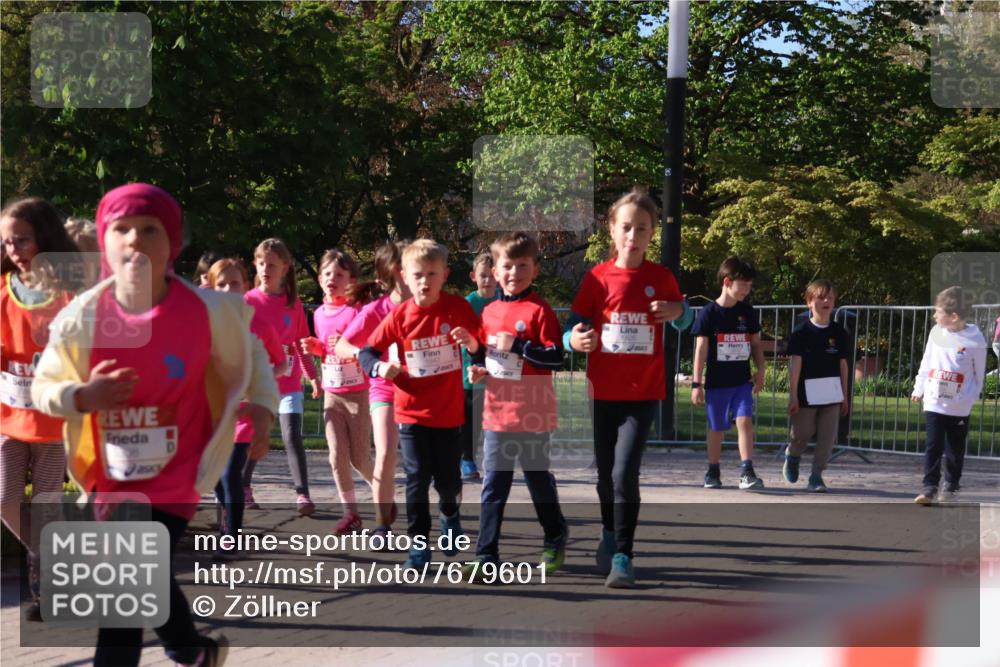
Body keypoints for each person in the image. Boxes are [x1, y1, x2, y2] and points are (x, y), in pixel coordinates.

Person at [31, 182, 279, 667]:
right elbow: (45, 387)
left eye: (150, 229)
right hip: (112, 476)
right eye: (121, 229)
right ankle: (192, 650)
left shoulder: (209, 310)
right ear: (104, 241)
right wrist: (82, 396)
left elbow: (255, 361)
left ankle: (186, 650)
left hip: (177, 472)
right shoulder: (81, 317)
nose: (135, 239)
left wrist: (264, 411)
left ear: (174, 243)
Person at [565, 188, 689, 588]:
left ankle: (623, 555)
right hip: (604, 391)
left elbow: (685, 319)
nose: (633, 235)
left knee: (623, 473)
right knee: (605, 475)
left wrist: (678, 311)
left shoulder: (661, 277)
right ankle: (608, 531)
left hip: (643, 392)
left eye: (642, 228)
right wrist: (574, 340)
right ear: (612, 230)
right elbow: (573, 325)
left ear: (652, 233)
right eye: (626, 227)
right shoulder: (597, 278)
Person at [358, 239, 481, 569]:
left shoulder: (456, 308)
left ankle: (450, 515)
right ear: (404, 277)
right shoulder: (399, 316)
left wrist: (472, 346)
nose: (425, 281)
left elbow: (480, 347)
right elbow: (367, 352)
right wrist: (380, 367)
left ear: (445, 275)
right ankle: (418, 545)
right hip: (410, 411)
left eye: (432, 274)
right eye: (418, 275)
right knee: (416, 479)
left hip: (448, 412)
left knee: (448, 481)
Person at [466, 232, 567, 576]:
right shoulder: (489, 312)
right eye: (507, 266)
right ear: (495, 271)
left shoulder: (539, 310)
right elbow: (483, 356)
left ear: (535, 270)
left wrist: (521, 346)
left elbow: (556, 357)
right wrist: (477, 368)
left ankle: (554, 535)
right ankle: (486, 556)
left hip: (533, 412)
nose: (514, 273)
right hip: (497, 412)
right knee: (494, 484)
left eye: (522, 266)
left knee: (537, 481)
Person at [1, 196, 81, 621]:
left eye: (22, 240)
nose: (13, 249)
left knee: (47, 503)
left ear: (45, 237)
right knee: (5, 499)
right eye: (7, 242)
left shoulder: (69, 292)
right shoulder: (3, 290)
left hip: (52, 421)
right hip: (9, 416)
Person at [206, 257, 286, 560]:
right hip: (214, 414)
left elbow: (281, 364)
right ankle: (229, 518)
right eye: (221, 284)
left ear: (246, 286)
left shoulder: (259, 325)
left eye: (235, 283)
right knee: (214, 477)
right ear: (212, 288)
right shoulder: (204, 325)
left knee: (230, 475)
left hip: (245, 414)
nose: (229, 289)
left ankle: (232, 537)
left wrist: (256, 381)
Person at [334, 241, 409, 543]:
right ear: (393, 273)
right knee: (386, 453)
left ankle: (445, 520)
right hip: (385, 389)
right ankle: (382, 526)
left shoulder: (429, 307)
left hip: (424, 391)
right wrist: (370, 360)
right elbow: (342, 345)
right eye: (406, 266)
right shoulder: (375, 311)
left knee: (429, 462)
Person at [301, 248, 375, 535]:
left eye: (340, 275)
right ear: (320, 279)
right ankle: (350, 514)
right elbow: (327, 349)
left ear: (351, 281)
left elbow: (369, 346)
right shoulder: (319, 313)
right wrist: (317, 348)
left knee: (360, 458)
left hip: (358, 393)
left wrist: (349, 345)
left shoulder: (356, 311)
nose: (332, 278)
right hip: (332, 393)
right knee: (336, 456)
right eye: (328, 274)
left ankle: (382, 491)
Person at [244, 238, 320, 514]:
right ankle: (244, 487)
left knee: (291, 434)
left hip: (289, 382)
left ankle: (302, 494)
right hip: (258, 384)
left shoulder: (293, 303)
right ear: (255, 265)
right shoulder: (248, 301)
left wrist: (313, 377)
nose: (266, 269)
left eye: (272, 265)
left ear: (285, 268)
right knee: (255, 435)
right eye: (262, 263)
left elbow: (301, 343)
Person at [690, 256, 766, 491]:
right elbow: (701, 349)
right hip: (717, 383)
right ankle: (713, 470)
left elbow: (756, 344)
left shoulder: (747, 312)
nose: (747, 290)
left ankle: (747, 470)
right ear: (727, 281)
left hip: (742, 381)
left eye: (750, 285)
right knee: (717, 428)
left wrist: (761, 370)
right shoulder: (709, 313)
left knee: (745, 421)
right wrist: (696, 384)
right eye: (743, 284)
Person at [911, 286, 987, 504]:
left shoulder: (975, 339)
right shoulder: (936, 333)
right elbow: (927, 361)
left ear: (953, 316)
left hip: (959, 405)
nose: (934, 316)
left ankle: (952, 483)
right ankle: (929, 486)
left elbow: (979, 372)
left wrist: (970, 397)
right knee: (933, 444)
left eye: (938, 312)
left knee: (955, 447)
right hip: (934, 401)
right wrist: (919, 387)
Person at [783, 279, 850, 492]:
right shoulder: (801, 332)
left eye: (830, 298)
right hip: (806, 394)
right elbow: (795, 365)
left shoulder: (839, 333)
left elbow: (843, 365)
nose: (826, 301)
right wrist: (793, 395)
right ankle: (793, 455)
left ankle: (816, 475)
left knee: (827, 438)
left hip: (832, 394)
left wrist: (845, 395)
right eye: (821, 297)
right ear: (809, 302)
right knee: (802, 434)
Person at [460, 252, 498, 482]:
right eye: (483, 276)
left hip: (498, 369)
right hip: (471, 371)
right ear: (474, 276)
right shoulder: (468, 303)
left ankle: (495, 459)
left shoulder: (504, 300)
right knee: (471, 419)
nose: (487, 280)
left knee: (495, 417)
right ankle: (466, 459)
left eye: (491, 276)